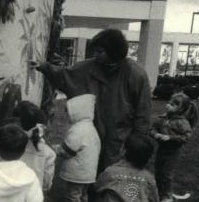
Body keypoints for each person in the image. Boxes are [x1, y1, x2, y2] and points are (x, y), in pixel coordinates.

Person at [31, 28, 152, 171]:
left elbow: (143, 111)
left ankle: (116, 192)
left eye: (100, 52)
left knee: (116, 170)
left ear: (114, 52)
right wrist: (44, 67)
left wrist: (138, 140)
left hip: (120, 134)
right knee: (90, 166)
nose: (95, 55)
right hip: (94, 130)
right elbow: (66, 76)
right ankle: (90, 191)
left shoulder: (136, 74)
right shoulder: (88, 67)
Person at [53, 93, 100, 202]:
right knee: (83, 196)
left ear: (79, 112)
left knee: (73, 196)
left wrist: (56, 149)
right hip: (88, 172)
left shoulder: (78, 129)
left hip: (77, 172)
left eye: (70, 113)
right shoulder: (90, 127)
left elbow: (67, 151)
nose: (68, 116)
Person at [151, 92, 197, 202]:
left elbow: (186, 137)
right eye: (168, 103)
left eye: (172, 105)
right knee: (158, 172)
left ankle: (167, 196)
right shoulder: (162, 118)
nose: (167, 105)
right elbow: (152, 129)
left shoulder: (182, 122)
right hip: (161, 150)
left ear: (180, 110)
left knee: (166, 174)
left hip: (172, 153)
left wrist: (170, 137)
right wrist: (155, 134)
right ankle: (158, 192)